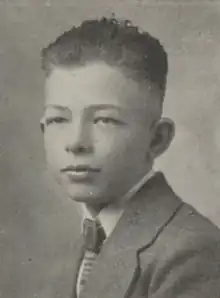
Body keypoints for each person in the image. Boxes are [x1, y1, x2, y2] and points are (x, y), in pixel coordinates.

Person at [40, 17, 220, 298]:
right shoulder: (83, 240)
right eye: (57, 119)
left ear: (157, 139)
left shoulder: (191, 252)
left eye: (104, 120)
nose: (75, 143)